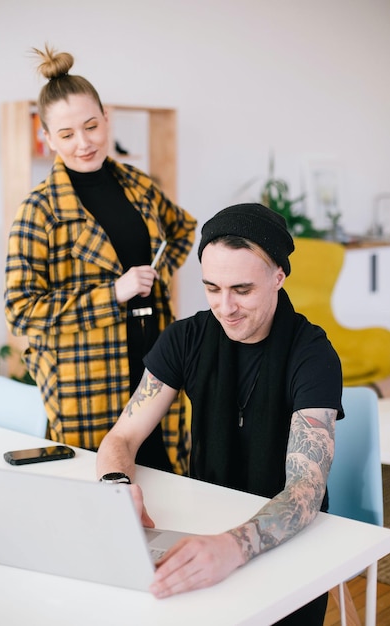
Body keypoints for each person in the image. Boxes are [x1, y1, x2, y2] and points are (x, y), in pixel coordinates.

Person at [96, 202, 343, 625]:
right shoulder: (186, 338)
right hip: (203, 518)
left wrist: (233, 546)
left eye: (242, 290)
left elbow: (306, 490)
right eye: (212, 288)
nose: (224, 307)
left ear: (278, 277)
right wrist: (117, 488)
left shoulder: (312, 355)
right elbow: (122, 437)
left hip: (289, 542)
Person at [4, 44, 197, 475]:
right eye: (67, 134)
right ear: (47, 137)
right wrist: (114, 294)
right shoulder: (39, 210)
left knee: (170, 480)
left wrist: (154, 278)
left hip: (155, 362)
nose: (84, 142)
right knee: (100, 492)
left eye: (92, 126)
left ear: (107, 118)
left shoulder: (137, 184)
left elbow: (182, 229)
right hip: (85, 381)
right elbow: (20, 314)